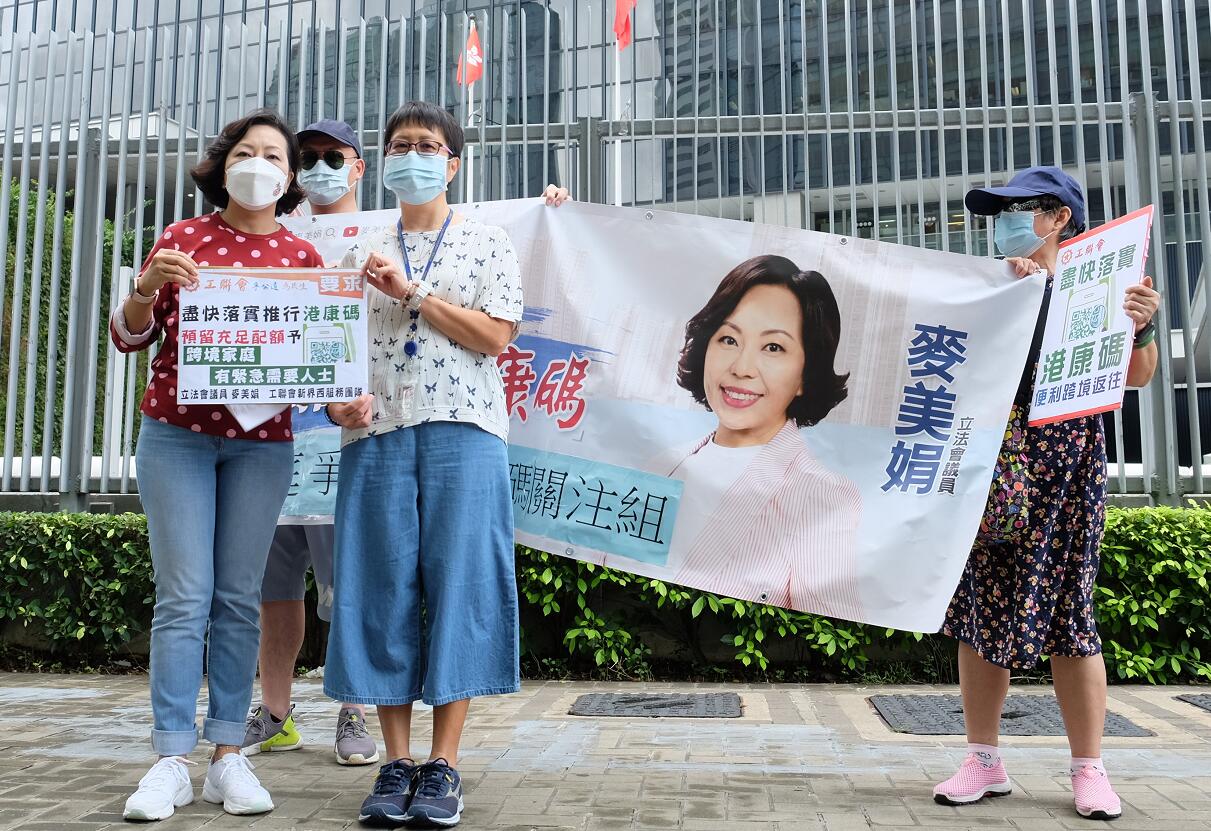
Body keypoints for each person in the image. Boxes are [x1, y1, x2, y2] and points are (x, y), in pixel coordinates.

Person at [323, 101, 567, 829]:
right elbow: (332, 353)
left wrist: (413, 293)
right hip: (377, 435)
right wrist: (337, 407)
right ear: (383, 162)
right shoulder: (359, 248)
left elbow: (495, 336)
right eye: (400, 145)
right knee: (378, 586)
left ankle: (444, 764)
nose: (413, 156)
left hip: (466, 430)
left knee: (461, 581)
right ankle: (396, 761)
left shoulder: (486, 241)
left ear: (452, 164)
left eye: (427, 146)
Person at [113, 109, 325, 821]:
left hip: (262, 442)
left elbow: (321, 355)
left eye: (273, 156)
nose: (257, 165)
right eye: (244, 152)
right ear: (222, 165)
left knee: (237, 595)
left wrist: (342, 393)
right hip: (177, 435)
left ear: (288, 178)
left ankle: (228, 752)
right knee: (184, 594)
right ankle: (171, 756)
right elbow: (129, 336)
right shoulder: (182, 239)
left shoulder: (302, 259)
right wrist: (146, 286)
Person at [933, 166, 1160, 821]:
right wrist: (1012, 294)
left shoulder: (1108, 283)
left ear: (1059, 217)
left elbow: (1138, 375)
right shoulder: (993, 283)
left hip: (1066, 467)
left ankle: (1089, 768)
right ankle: (982, 759)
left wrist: (1142, 326)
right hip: (995, 464)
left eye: (1019, 208)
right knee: (980, 612)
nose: (1004, 222)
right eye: (999, 213)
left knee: (1071, 616)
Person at [242, 118, 379, 767]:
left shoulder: (388, 235)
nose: (321, 167)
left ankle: (354, 710)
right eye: (309, 157)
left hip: (347, 441)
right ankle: (275, 714)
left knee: (347, 585)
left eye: (334, 156)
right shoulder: (271, 237)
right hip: (272, 439)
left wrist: (550, 207)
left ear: (358, 167)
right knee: (274, 592)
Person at [668, 255, 862, 620]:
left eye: (773, 347)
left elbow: (828, 624)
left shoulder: (820, 492)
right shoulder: (664, 463)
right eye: (728, 339)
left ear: (806, 373)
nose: (742, 368)